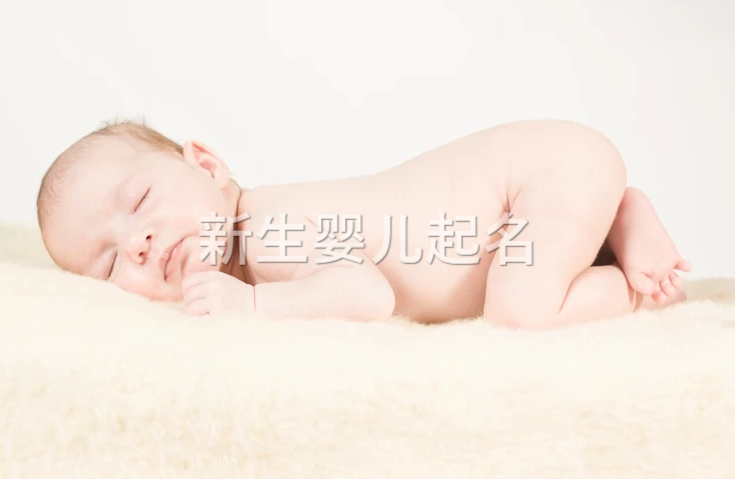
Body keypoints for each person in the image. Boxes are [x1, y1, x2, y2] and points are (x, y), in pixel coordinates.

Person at [36, 119, 691, 329]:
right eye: (109, 261)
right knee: (524, 280)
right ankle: (609, 229)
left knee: (519, 314)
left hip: (538, 176)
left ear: (206, 165)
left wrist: (254, 304)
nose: (138, 243)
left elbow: (366, 292)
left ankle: (638, 285)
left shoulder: (265, 233)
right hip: (528, 204)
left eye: (141, 200)